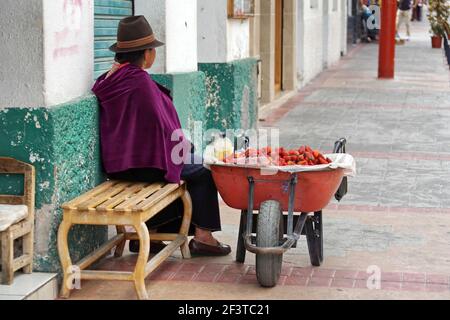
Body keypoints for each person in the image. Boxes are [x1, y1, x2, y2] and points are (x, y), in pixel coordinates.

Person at [92, 16, 231, 257]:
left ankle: (153, 233)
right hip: (142, 166)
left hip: (118, 165)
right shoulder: (139, 81)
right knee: (203, 170)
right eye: (152, 50)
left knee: (183, 162)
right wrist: (184, 147)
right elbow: (163, 129)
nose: (153, 54)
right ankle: (204, 237)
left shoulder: (109, 79)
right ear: (146, 54)